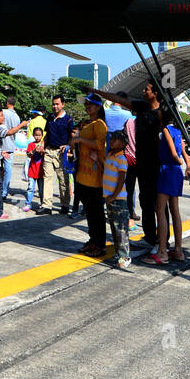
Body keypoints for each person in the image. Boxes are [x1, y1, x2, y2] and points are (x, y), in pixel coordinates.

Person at [148, 119, 190, 264]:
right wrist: (188, 167)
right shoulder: (178, 131)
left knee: (160, 209)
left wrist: (178, 161)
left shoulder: (166, 130)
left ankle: (162, 252)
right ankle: (178, 250)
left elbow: (174, 153)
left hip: (167, 169)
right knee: (175, 210)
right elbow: (184, 151)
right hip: (176, 172)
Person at [73, 94, 108, 257]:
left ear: (98, 107)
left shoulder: (99, 124)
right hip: (82, 174)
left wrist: (80, 140)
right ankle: (93, 240)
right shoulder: (86, 123)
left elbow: (100, 144)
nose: (87, 106)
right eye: (86, 104)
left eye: (90, 104)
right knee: (90, 211)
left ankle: (99, 244)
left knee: (97, 213)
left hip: (95, 176)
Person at [135, 82, 165, 246]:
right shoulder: (141, 107)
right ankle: (149, 236)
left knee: (160, 205)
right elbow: (119, 99)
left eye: (146, 89)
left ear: (155, 93)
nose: (143, 90)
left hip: (157, 165)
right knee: (145, 200)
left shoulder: (162, 114)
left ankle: (163, 240)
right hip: (142, 163)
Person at [39, 94, 74, 215]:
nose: (55, 106)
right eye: (53, 104)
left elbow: (72, 135)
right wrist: (43, 144)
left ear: (63, 104)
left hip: (61, 153)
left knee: (63, 180)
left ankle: (65, 205)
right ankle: (46, 206)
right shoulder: (49, 118)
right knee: (47, 178)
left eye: (57, 104)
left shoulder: (68, 119)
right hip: (49, 151)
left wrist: (68, 146)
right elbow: (47, 134)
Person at [103, 128, 131, 270]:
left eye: (115, 139)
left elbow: (121, 180)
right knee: (114, 228)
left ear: (123, 143)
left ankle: (125, 256)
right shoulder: (110, 155)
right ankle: (118, 253)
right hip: (109, 198)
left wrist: (114, 195)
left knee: (121, 229)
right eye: (111, 139)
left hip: (118, 198)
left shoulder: (121, 159)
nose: (112, 141)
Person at [0, 96, 29, 205]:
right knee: (8, 170)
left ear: (7, 103)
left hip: (0, 144)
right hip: (10, 145)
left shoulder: (3, 112)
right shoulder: (17, 117)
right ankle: (4, 192)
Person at [22, 127, 44, 212]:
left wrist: (42, 150)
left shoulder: (43, 144)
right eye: (36, 135)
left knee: (41, 189)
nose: (38, 137)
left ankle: (43, 203)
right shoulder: (31, 144)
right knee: (30, 188)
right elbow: (28, 155)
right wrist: (34, 150)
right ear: (33, 135)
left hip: (41, 172)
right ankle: (28, 204)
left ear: (42, 135)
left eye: (39, 135)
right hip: (32, 170)